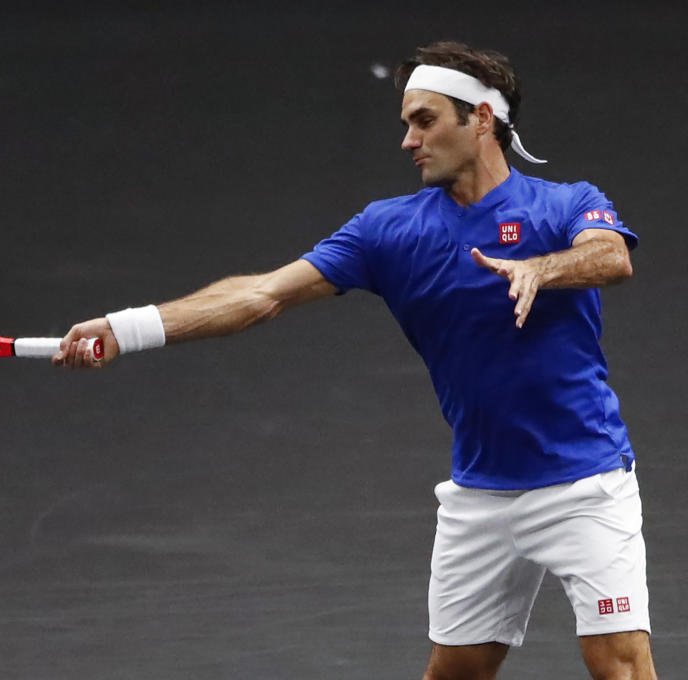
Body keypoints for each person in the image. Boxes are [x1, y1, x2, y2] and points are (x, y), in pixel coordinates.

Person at [52, 41, 657, 680]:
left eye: (424, 120)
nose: (407, 140)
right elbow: (261, 294)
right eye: (406, 124)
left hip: (585, 483)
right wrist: (127, 329)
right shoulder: (386, 230)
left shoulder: (565, 204)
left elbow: (611, 257)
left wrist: (541, 268)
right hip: (481, 494)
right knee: (456, 673)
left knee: (619, 666)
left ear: (481, 119)